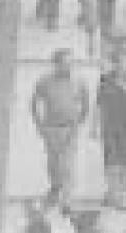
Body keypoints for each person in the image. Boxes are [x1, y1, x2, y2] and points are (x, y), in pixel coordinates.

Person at [31, 50, 90, 203]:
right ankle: (56, 187)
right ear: (56, 65)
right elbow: (35, 104)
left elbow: (85, 104)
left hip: (70, 129)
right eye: (64, 63)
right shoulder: (44, 82)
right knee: (53, 163)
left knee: (68, 164)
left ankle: (67, 200)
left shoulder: (79, 82)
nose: (68, 67)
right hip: (51, 128)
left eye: (70, 63)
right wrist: (40, 126)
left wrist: (78, 124)